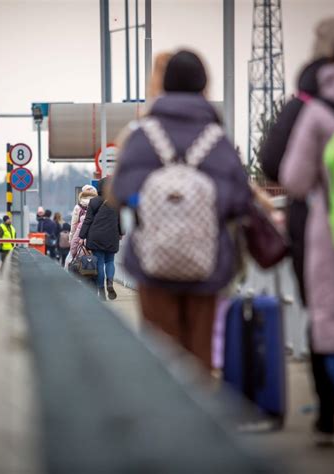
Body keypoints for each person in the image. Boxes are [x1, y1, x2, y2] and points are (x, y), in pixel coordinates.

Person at [111, 50, 252, 370]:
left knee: (160, 357)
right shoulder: (217, 140)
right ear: (204, 86)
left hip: (153, 263)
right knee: (200, 357)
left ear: (164, 85)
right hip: (209, 265)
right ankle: (201, 416)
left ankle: (166, 417)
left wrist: (155, 206)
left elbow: (122, 191)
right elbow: (240, 200)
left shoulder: (142, 136)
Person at [261, 17, 334, 444]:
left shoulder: (309, 103)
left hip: (320, 226)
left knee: (322, 314)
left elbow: (278, 167)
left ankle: (328, 412)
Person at [79, 177, 123, 300]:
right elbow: (120, 221)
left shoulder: (94, 202)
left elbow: (88, 220)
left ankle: (101, 290)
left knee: (99, 262)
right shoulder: (117, 201)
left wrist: (82, 236)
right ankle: (110, 283)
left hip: (96, 236)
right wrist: (121, 232)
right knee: (110, 261)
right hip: (112, 236)